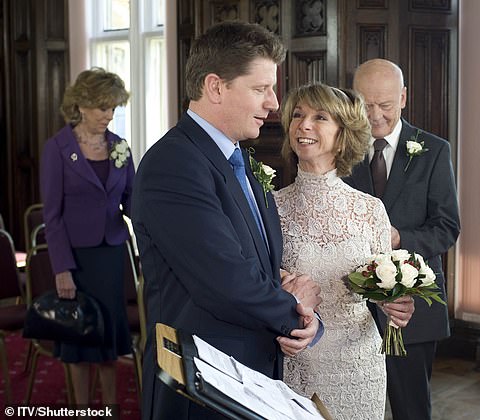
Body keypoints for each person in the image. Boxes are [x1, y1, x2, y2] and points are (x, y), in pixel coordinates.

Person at [131, 21, 322, 420]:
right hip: (201, 386)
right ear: (215, 86)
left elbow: (253, 264)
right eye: (260, 89)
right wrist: (299, 315)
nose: (273, 103)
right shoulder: (175, 164)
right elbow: (224, 280)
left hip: (247, 377)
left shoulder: (235, 159)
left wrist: (286, 289)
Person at [275, 82, 415, 419]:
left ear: (343, 135)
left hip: (358, 365)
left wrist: (395, 304)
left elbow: (381, 289)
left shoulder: (370, 210)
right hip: (296, 361)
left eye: (319, 117)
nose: (303, 125)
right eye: (297, 115)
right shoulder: (272, 207)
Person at [344, 58, 461, 420]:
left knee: (411, 408)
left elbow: (447, 227)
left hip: (413, 307)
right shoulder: (342, 149)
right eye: (365, 104)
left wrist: (399, 238)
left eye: (386, 105)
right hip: (352, 307)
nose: (375, 115)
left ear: (404, 98)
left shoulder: (434, 150)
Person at [40, 67, 134, 407]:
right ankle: (82, 411)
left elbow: (132, 201)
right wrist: (61, 269)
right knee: (80, 342)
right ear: (81, 105)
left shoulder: (120, 147)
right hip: (76, 259)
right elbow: (52, 217)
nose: (108, 115)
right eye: (102, 108)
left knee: (107, 339)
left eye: (112, 108)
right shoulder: (57, 149)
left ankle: (107, 409)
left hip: (110, 256)